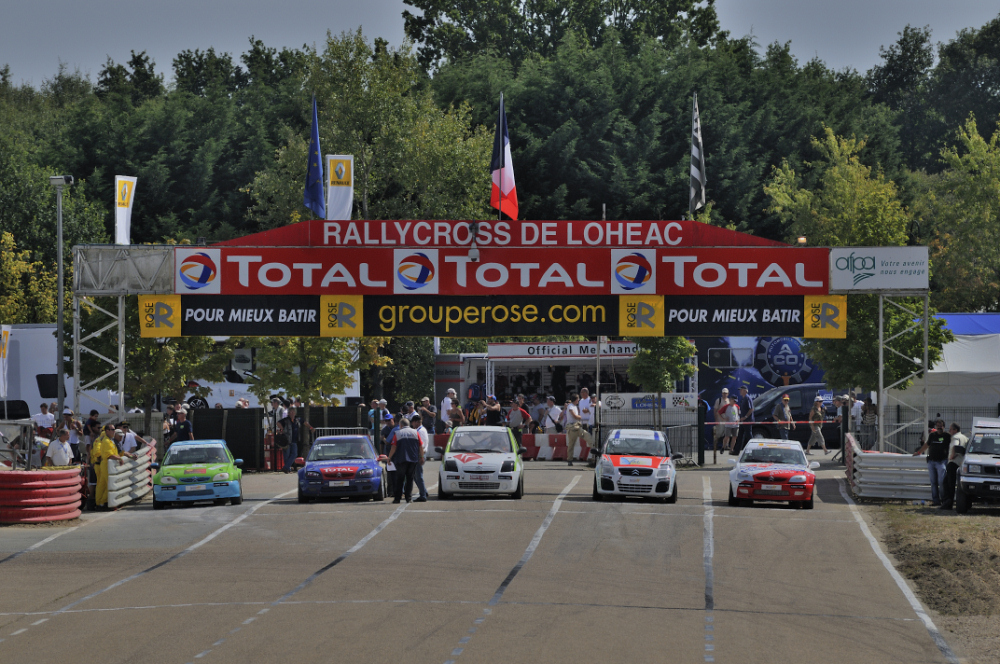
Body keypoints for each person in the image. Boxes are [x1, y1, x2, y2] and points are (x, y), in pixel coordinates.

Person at [91, 423, 137, 509]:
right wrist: (119, 459)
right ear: (107, 431)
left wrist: (130, 456)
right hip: (105, 465)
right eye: (112, 430)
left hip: (106, 465)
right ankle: (102, 503)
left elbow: (120, 452)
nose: (114, 431)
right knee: (110, 484)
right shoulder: (106, 441)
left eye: (114, 430)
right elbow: (109, 455)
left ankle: (100, 503)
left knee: (103, 485)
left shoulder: (110, 440)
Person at [913, 419, 951, 506]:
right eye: (938, 426)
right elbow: (927, 445)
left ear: (944, 427)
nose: (939, 427)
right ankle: (936, 501)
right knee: (933, 482)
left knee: (941, 482)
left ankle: (944, 500)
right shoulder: (932, 435)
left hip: (941, 462)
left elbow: (953, 445)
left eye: (941, 426)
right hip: (931, 461)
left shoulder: (947, 436)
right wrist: (918, 452)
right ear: (936, 427)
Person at [386, 417, 424, 503]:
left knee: (400, 479)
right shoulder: (415, 432)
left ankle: (397, 498)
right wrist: (422, 457)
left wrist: (389, 457)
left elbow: (394, 447)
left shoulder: (398, 433)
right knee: (410, 479)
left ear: (401, 425)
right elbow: (420, 446)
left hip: (401, 459)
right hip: (413, 459)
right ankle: (408, 498)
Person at [941, 423, 968, 510]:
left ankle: (948, 503)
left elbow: (955, 447)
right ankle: (950, 502)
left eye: (951, 429)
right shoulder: (965, 438)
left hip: (953, 463)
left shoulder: (955, 437)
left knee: (948, 484)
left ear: (955, 430)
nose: (949, 431)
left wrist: (952, 456)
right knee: (952, 483)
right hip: (961, 463)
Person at [408, 414, 429, 502]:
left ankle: (423, 495)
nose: (412, 424)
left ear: (416, 422)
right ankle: (424, 491)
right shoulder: (421, 430)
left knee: (418, 475)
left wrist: (420, 456)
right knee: (416, 475)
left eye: (412, 422)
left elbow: (421, 445)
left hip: (419, 454)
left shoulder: (420, 431)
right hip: (420, 454)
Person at [564, 393, 585, 465]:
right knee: (571, 443)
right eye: (578, 399)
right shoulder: (570, 407)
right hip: (572, 426)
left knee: (586, 436)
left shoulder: (574, 406)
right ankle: (569, 459)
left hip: (576, 425)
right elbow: (575, 416)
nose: (578, 400)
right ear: (575, 399)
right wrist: (580, 417)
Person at [737, 386, 754, 453]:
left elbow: (751, 409)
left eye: (741, 390)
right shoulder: (743, 399)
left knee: (749, 435)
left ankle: (753, 450)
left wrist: (745, 417)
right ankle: (736, 451)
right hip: (742, 421)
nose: (740, 391)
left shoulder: (747, 398)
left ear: (745, 391)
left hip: (747, 421)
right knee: (740, 435)